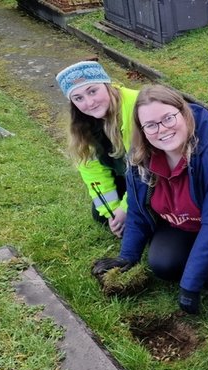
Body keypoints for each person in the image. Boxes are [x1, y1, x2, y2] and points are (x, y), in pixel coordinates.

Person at [92, 85, 208, 314]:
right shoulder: (139, 158)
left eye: (168, 118)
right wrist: (127, 255)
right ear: (142, 130)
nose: (162, 130)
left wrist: (189, 286)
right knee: (163, 265)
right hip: (182, 219)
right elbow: (137, 210)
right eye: (151, 125)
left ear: (184, 113)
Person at [56, 60, 138, 238]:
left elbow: (145, 169)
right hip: (126, 175)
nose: (90, 103)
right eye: (78, 98)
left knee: (138, 219)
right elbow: (91, 169)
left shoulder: (137, 108)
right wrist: (112, 212)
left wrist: (125, 209)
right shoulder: (82, 123)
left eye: (92, 91)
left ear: (106, 84)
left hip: (154, 179)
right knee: (100, 214)